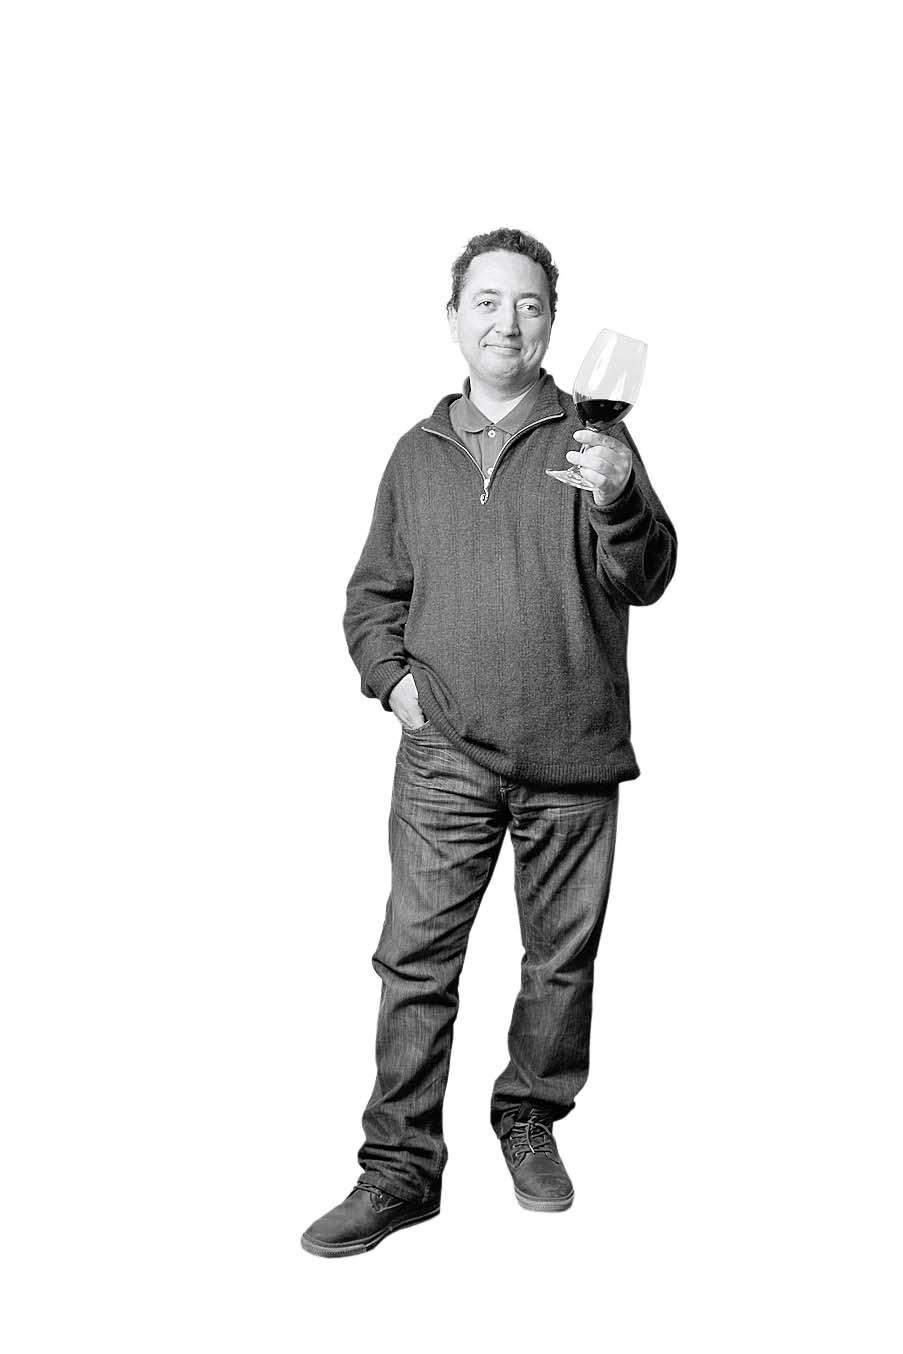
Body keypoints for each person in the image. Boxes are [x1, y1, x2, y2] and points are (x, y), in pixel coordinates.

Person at [301, 227, 677, 1258]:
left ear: (551, 321)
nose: (508, 322)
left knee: (560, 963)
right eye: (487, 302)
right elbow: (371, 598)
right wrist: (397, 686)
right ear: (454, 318)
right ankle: (399, 1170)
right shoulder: (415, 453)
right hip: (446, 755)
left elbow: (646, 575)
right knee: (414, 964)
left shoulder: (593, 442)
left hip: (572, 754)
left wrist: (619, 495)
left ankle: (529, 1118)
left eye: (529, 304)